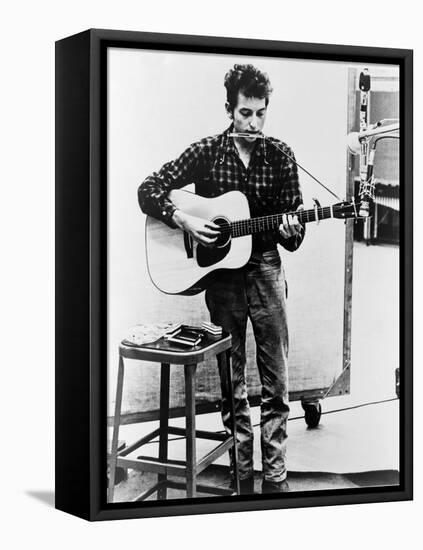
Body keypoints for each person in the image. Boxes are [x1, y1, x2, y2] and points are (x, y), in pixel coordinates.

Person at [138, 64, 305, 494]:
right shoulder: (208, 151)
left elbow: (296, 230)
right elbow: (148, 188)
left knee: (276, 382)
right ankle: (241, 475)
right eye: (245, 113)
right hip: (224, 283)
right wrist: (184, 222)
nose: (253, 124)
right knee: (232, 385)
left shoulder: (281, 155)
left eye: (261, 114)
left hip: (266, 270)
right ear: (229, 108)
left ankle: (277, 477)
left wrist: (292, 230)